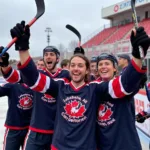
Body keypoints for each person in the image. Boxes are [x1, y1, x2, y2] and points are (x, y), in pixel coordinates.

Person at [8, 21, 150, 150]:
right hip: (59, 147)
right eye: (73, 65)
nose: (76, 68)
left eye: (80, 65)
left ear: (87, 70)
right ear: (68, 69)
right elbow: (34, 80)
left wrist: (137, 56)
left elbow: (123, 85)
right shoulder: (60, 86)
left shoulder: (95, 89)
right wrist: (23, 49)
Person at [1, 45, 70, 149]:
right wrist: (5, 64)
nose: (48, 57)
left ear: (57, 58)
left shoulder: (66, 75)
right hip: (36, 131)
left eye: (51, 54)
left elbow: (83, 80)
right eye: (46, 54)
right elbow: (15, 76)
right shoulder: (38, 74)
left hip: (57, 132)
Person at [96, 53, 143, 150]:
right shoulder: (93, 87)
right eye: (100, 64)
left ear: (115, 69)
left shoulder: (124, 86)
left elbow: (129, 81)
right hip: (103, 145)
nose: (103, 67)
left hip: (125, 145)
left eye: (107, 64)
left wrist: (137, 55)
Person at [0, 49, 33, 150]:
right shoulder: (12, 85)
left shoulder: (38, 87)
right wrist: (3, 64)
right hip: (13, 128)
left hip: (30, 129)